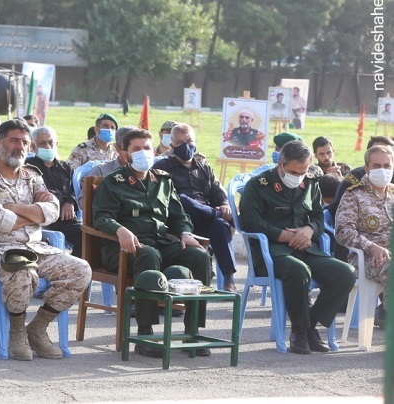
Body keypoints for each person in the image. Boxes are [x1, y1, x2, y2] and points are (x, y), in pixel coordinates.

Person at [0, 119, 91, 361]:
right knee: (23, 270)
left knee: (81, 269)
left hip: (35, 247)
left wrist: (14, 208)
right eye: (14, 140)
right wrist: (35, 214)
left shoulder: (32, 176)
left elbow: (53, 211)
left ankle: (38, 327)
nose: (20, 147)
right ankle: (16, 331)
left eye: (24, 142)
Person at [93, 128, 211, 358]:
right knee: (148, 254)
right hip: (123, 248)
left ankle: (192, 331)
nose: (143, 152)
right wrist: (120, 229)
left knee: (199, 256)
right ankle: (144, 334)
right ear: (125, 153)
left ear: (154, 151)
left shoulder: (163, 180)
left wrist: (185, 232)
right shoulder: (113, 181)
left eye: (147, 148)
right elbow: (101, 217)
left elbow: (178, 215)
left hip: (159, 243)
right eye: (136, 149)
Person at [239, 140, 356, 355]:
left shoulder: (310, 183)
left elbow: (319, 217)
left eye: (303, 172)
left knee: (346, 272)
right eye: (294, 172)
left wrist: (309, 230)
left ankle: (310, 325)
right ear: (281, 165)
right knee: (298, 270)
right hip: (272, 252)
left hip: (305, 248)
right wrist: (283, 235)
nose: (299, 177)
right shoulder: (258, 185)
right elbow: (249, 221)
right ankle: (299, 331)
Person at [153, 123, 236, 291]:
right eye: (180, 142)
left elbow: (217, 191)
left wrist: (224, 204)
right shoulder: (162, 167)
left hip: (204, 218)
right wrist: (217, 212)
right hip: (178, 218)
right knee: (183, 199)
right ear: (172, 146)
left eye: (189, 141)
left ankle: (229, 278)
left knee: (220, 225)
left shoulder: (204, 168)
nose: (186, 146)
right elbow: (164, 198)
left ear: (195, 142)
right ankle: (216, 215)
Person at [335, 145, 393, 328]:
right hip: (366, 259)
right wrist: (371, 247)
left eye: (387, 166)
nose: (382, 170)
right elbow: (343, 231)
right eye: (376, 166)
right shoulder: (354, 195)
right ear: (367, 169)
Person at [26, 126, 82, 257]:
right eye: (42, 143)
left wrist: (70, 202)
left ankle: (74, 265)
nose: (47, 146)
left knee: (87, 237)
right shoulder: (27, 167)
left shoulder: (65, 168)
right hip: (41, 219)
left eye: (50, 142)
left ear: (56, 144)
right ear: (33, 146)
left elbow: (74, 190)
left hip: (65, 218)